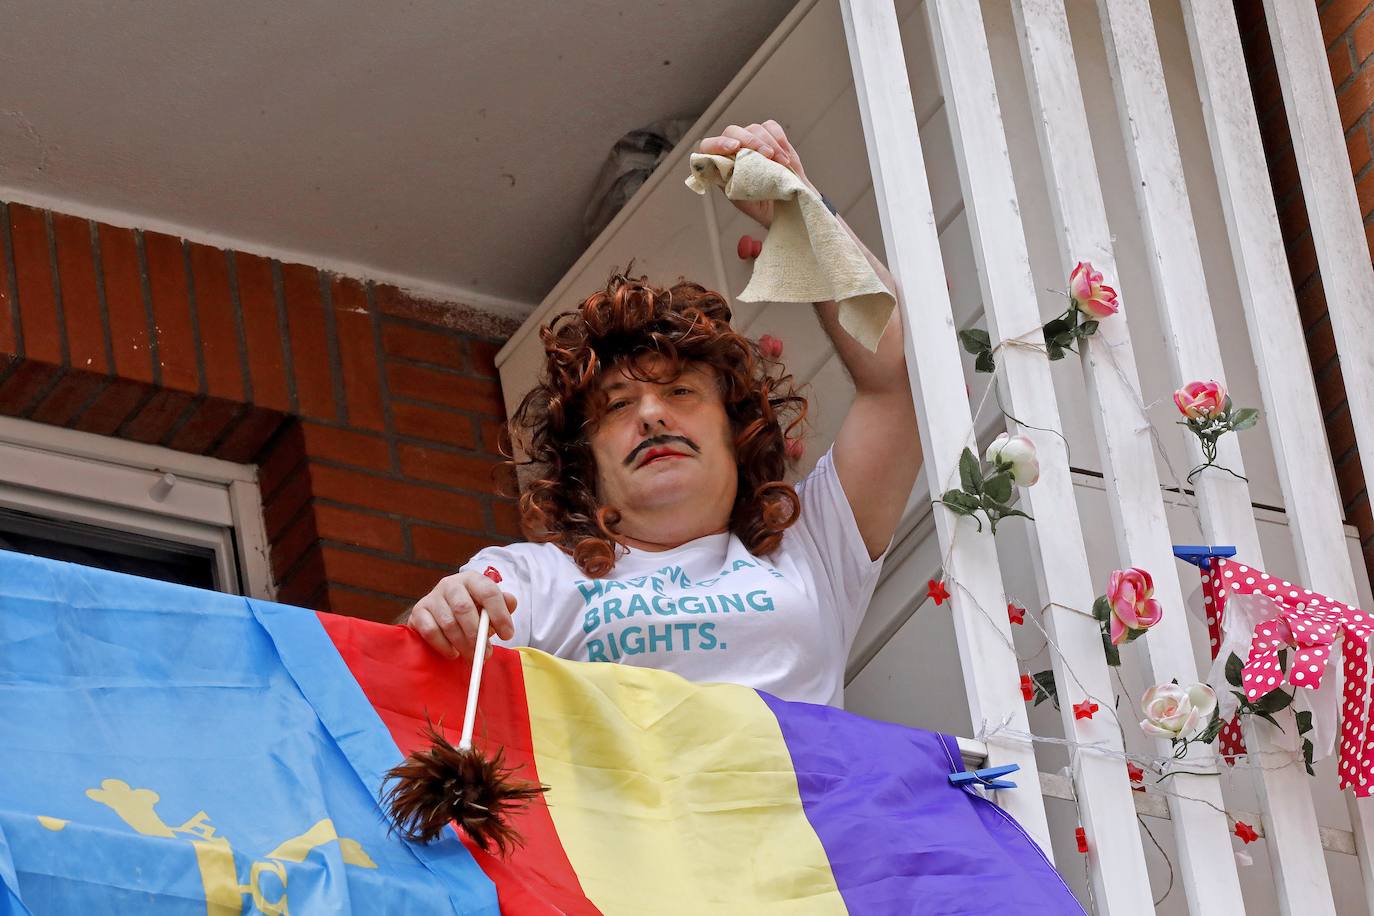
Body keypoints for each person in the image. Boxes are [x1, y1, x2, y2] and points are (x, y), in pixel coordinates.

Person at [403, 119, 921, 707]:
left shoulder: (813, 547)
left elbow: (902, 380)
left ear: (736, 434)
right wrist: (448, 619)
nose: (651, 416)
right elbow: (447, 696)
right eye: (618, 406)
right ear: (587, 465)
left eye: (680, 393)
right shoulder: (533, 579)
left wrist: (799, 211)